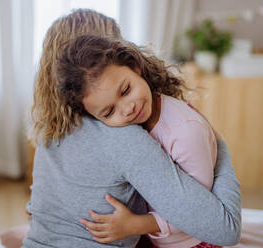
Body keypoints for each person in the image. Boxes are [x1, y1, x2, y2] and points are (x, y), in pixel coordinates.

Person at [0, 9, 241, 248]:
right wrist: (219, 145)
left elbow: (33, 212)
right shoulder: (124, 135)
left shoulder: (49, 129)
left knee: (11, 235)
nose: (125, 108)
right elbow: (225, 229)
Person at [56, 34, 221, 248]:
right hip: (152, 237)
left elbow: (198, 212)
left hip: (190, 242)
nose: (128, 108)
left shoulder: (185, 132)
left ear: (135, 67)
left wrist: (134, 225)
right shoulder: (123, 131)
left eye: (125, 90)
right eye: (109, 112)